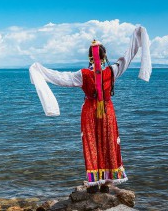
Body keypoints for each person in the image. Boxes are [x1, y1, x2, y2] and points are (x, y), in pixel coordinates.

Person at [29, 26, 151, 193]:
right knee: (108, 142)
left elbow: (61, 78)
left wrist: (40, 70)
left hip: (89, 111)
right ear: (104, 55)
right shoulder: (112, 70)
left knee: (91, 143)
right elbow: (127, 57)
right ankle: (107, 182)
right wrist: (138, 37)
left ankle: (94, 181)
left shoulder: (83, 74)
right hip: (107, 110)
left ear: (89, 57)